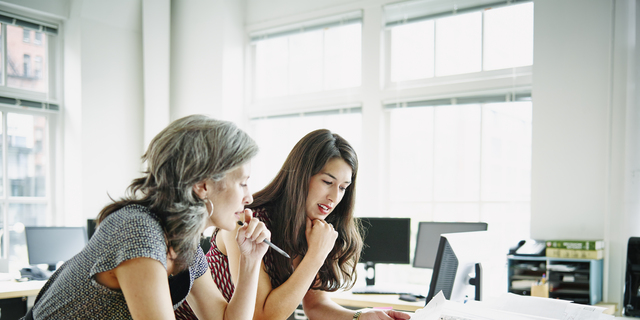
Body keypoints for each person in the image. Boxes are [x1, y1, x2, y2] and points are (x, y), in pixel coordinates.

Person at [23, 115, 270, 320]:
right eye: (243, 183)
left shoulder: (186, 246)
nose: (248, 198)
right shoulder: (139, 230)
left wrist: (250, 262)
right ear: (203, 185)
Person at [175, 129, 410, 320]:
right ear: (301, 176)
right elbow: (262, 317)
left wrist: (360, 317)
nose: (334, 197)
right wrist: (316, 255)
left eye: (342, 187)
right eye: (327, 181)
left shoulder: (317, 230)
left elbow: (315, 306)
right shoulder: (249, 222)